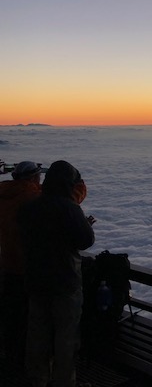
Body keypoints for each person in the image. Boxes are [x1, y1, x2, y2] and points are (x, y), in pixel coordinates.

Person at [18, 160, 95, 387]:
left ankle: (37, 379)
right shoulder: (69, 208)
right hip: (64, 282)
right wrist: (85, 224)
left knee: (37, 335)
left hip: (35, 281)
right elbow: (86, 240)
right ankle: (64, 382)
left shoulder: (29, 207)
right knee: (66, 337)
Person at [0, 161, 42, 367]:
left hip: (7, 265)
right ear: (33, 178)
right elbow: (65, 207)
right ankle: (26, 364)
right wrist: (79, 185)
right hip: (30, 269)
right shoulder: (33, 198)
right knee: (30, 319)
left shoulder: (3, 195)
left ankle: (10, 356)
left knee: (11, 314)